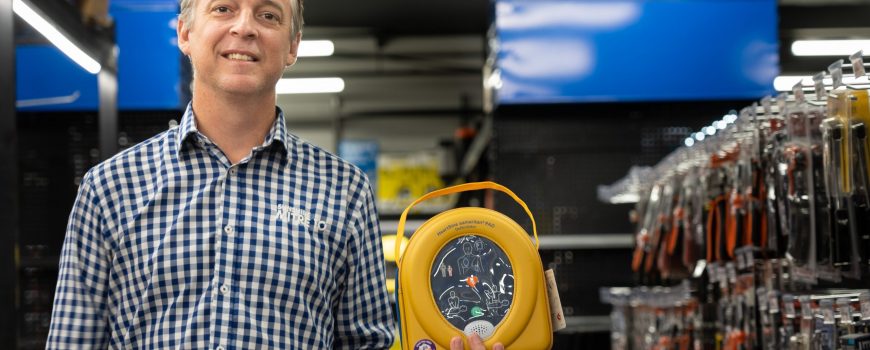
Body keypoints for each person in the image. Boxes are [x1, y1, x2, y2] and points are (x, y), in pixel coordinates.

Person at [45, 0, 396, 348]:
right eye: (223, 9)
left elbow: (367, 342)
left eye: (268, 15)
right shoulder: (109, 189)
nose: (244, 27)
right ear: (185, 33)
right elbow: (72, 342)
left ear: (292, 47)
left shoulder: (344, 191)